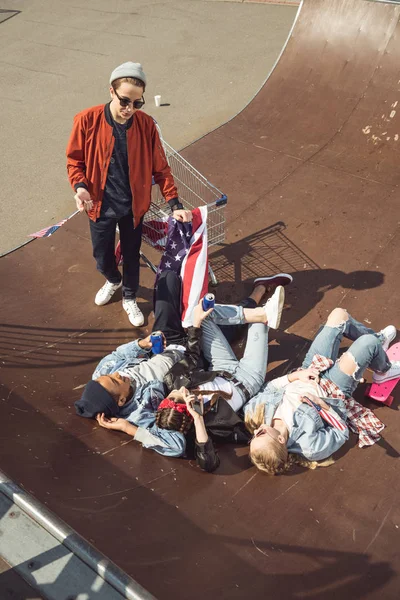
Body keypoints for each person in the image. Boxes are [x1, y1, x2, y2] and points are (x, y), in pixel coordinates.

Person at [76, 271, 291, 471]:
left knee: (188, 304)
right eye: (116, 381)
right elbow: (178, 446)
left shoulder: (103, 376)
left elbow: (117, 357)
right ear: (121, 401)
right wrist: (127, 428)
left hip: (202, 359)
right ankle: (259, 295)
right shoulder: (151, 413)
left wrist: (142, 344)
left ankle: (258, 306)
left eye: (111, 375)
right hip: (246, 378)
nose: (117, 374)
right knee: (252, 323)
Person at [66, 61, 190, 327]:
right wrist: (80, 187)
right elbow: (75, 161)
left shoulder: (145, 125)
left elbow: (161, 167)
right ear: (111, 91)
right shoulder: (86, 120)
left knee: (132, 254)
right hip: (98, 205)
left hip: (134, 206)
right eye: (124, 101)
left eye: (137, 103)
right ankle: (113, 279)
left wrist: (174, 203)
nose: (129, 109)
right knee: (102, 256)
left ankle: (130, 297)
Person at [244, 307, 399, 475]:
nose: (256, 431)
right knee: (367, 343)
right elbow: (340, 432)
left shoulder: (254, 413)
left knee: (339, 315)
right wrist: (320, 405)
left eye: (253, 437)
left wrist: (295, 376)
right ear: (281, 440)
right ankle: (383, 370)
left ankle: (379, 342)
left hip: (309, 369)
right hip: (332, 388)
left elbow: (268, 387)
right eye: (260, 435)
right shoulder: (309, 446)